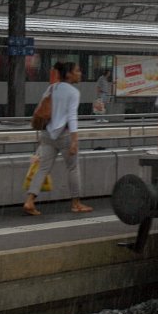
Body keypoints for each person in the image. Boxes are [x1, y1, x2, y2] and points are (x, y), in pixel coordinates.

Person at [23, 61, 93, 216]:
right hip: (64, 135)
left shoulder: (51, 87)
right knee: (73, 168)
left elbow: (41, 110)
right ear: (68, 74)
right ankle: (76, 203)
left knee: (43, 169)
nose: (80, 73)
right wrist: (74, 141)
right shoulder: (73, 92)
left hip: (47, 134)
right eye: (77, 70)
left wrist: (40, 137)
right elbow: (72, 117)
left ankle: (29, 201)